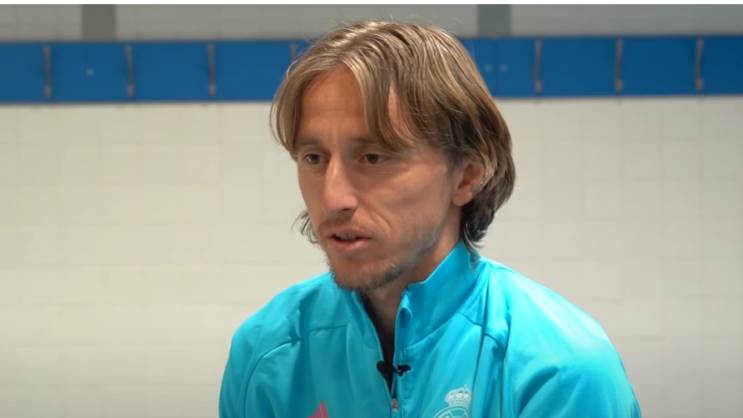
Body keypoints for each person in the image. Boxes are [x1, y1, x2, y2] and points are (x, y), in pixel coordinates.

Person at [219, 20, 642, 418]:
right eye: (314, 158)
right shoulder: (267, 354)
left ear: (466, 176)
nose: (333, 198)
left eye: (373, 157)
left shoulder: (557, 369)